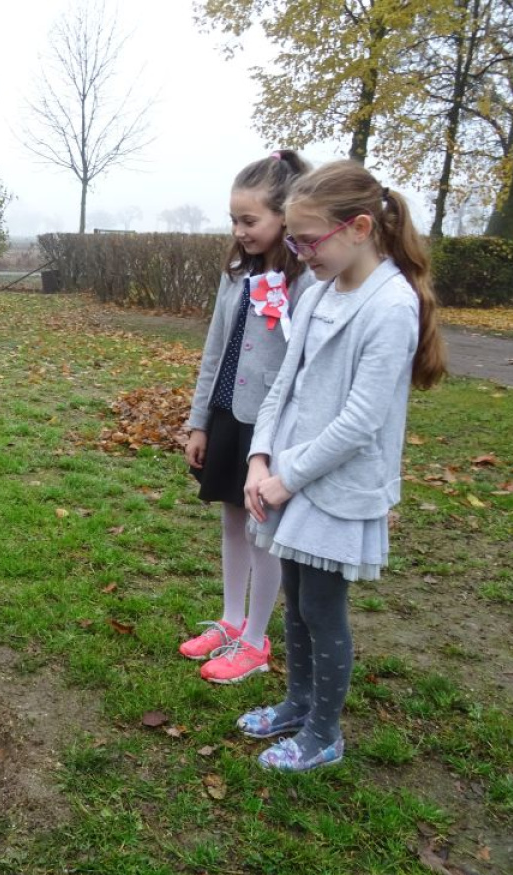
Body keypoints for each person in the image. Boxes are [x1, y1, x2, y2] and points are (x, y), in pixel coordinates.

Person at [238, 160, 446, 771]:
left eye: (308, 241)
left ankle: (324, 734)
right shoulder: (320, 292)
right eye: (294, 242)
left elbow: (361, 422)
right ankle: (298, 703)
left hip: (334, 487)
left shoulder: (391, 306)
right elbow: (283, 383)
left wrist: (286, 478)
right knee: (297, 601)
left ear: (358, 228)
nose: (300, 255)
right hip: (289, 478)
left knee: (323, 611)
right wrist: (258, 458)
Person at [181, 151, 314, 684]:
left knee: (263, 530)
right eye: (234, 219)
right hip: (227, 414)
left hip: (269, 425)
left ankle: (255, 641)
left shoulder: (306, 280)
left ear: (285, 216)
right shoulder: (236, 272)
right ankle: (231, 620)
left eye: (250, 220)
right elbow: (215, 348)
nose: (239, 231)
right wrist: (199, 422)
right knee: (232, 521)